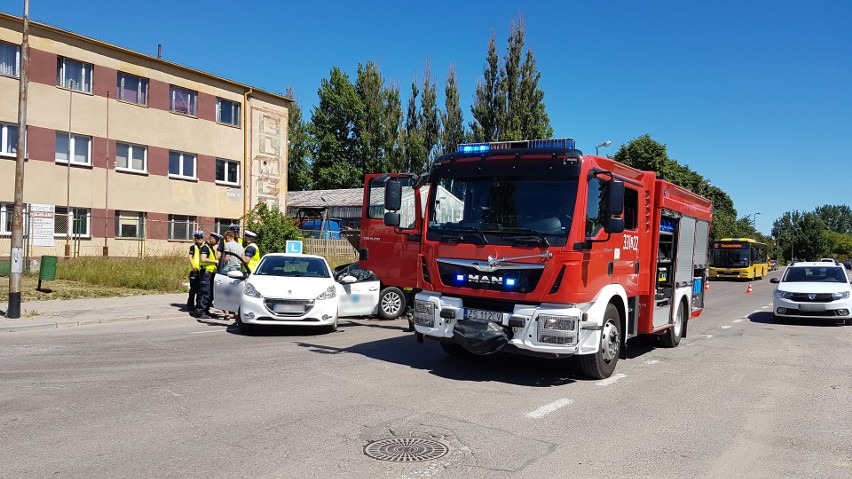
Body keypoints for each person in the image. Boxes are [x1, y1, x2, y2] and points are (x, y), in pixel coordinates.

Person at [194, 232, 219, 319]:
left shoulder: (211, 248)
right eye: (216, 240)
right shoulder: (205, 247)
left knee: (210, 294)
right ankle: (201, 312)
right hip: (206, 274)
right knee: (205, 293)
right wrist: (216, 262)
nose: (217, 243)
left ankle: (206, 310)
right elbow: (203, 259)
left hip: (211, 273)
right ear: (211, 238)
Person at [186, 231, 205, 311]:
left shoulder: (204, 247)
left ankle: (198, 304)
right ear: (195, 239)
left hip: (202, 270)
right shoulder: (193, 247)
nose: (200, 239)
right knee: (193, 289)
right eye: (198, 238)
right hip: (195, 270)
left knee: (200, 289)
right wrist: (193, 266)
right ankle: (190, 304)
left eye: (201, 238)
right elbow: (190, 258)